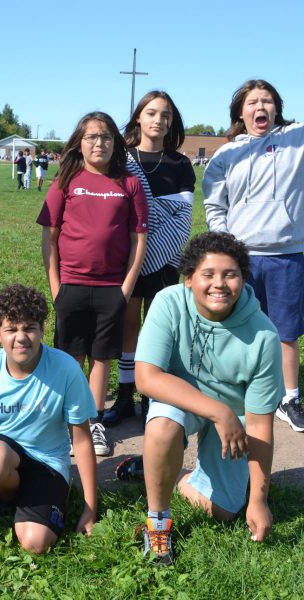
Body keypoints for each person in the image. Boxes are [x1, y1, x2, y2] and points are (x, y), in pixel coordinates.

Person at [135, 232, 282, 565]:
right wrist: (218, 412)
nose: (220, 284)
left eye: (230, 274)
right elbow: (146, 378)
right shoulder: (168, 303)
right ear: (189, 279)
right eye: (208, 274)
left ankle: (171, 474)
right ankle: (158, 523)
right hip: (184, 403)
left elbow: (259, 424)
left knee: (224, 511)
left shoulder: (264, 336)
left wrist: (259, 500)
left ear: (244, 279)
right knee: (162, 426)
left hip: (234, 418)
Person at [37, 112, 148, 456]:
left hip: (111, 288)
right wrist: (56, 288)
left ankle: (94, 421)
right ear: (79, 143)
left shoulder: (128, 183)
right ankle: (71, 422)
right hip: (70, 284)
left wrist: (125, 289)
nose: (98, 143)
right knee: (71, 358)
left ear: (116, 143)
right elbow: (49, 239)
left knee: (102, 359)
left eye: (105, 137)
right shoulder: (65, 181)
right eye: (91, 137)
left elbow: (138, 240)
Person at [0, 284, 97, 554]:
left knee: (36, 543)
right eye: (11, 329)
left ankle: (37, 501)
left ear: (42, 330)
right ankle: (8, 498)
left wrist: (90, 508)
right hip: (3, 456)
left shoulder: (67, 369)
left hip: (48, 463)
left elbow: (81, 441)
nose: (21, 337)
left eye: (29, 328)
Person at [203, 79, 304, 432]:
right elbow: (214, 204)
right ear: (240, 111)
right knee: (234, 326)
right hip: (241, 258)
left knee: (286, 332)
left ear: (277, 108)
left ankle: (289, 398)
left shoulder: (296, 141)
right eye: (252, 102)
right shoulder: (226, 154)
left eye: (267, 101)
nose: (260, 107)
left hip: (288, 254)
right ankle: (232, 391)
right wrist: (226, 245)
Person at [104, 91, 195, 427]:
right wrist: (136, 254)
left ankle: (152, 395)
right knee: (128, 325)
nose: (159, 120)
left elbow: (181, 217)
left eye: (166, 115)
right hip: (127, 258)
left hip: (166, 258)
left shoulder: (181, 164)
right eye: (152, 113)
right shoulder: (121, 160)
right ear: (139, 117)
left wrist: (153, 253)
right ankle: (126, 395)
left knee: (158, 328)